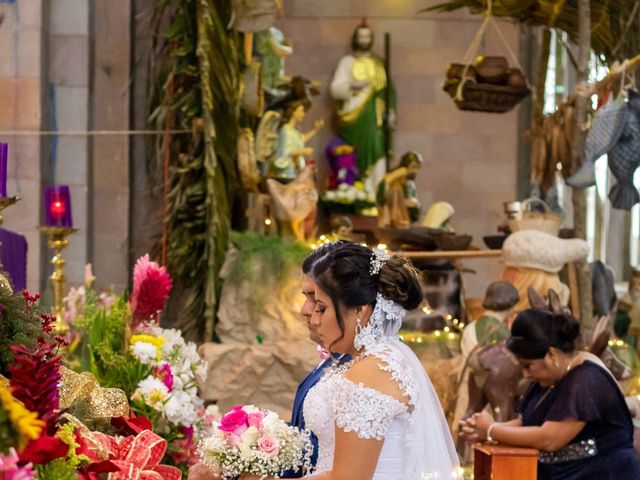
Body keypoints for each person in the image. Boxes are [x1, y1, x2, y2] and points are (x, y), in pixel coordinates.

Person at [243, 243, 460, 479]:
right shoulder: (374, 360)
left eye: (322, 308)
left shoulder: (371, 371)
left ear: (359, 311)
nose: (314, 319)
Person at [188, 242, 349, 480]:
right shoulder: (334, 358)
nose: (306, 310)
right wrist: (244, 444)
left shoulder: (361, 372)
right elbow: (310, 435)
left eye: (317, 301)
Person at [460, 308, 640, 479]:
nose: (525, 374)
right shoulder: (550, 375)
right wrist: (482, 431)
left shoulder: (586, 378)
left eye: (527, 365)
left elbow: (549, 438)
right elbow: (526, 422)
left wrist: (492, 430)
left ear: (551, 355)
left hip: (602, 474)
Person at [330, 21, 395, 197]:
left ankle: (374, 195)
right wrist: (353, 85)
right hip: (353, 117)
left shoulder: (379, 64)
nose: (364, 40)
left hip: (374, 117)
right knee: (352, 155)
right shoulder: (347, 62)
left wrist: (391, 111)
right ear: (355, 39)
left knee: (376, 147)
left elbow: (389, 91)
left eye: (367, 36)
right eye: (361, 36)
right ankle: (355, 192)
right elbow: (335, 89)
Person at [376, 151, 423, 228]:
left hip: (405, 220)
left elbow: (414, 207)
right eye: (413, 167)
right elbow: (381, 198)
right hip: (391, 219)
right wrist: (393, 176)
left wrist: (415, 204)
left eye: (418, 167)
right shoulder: (393, 180)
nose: (415, 171)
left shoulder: (410, 183)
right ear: (405, 165)